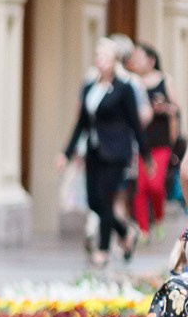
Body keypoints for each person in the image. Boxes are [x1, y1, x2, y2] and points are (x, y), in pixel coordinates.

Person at [65, 35, 149, 267]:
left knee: (106, 199)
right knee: (94, 202)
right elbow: (81, 123)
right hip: (94, 151)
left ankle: (102, 250)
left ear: (114, 60)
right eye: (97, 56)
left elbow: (135, 122)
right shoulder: (90, 87)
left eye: (104, 56)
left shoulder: (124, 88)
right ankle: (125, 231)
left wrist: (146, 154)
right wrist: (67, 153)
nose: (100, 60)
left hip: (116, 152)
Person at [130, 41, 176, 237]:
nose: (136, 61)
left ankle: (158, 218)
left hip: (161, 142)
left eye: (139, 57)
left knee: (155, 185)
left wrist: (163, 108)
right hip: (140, 142)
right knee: (140, 187)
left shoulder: (164, 80)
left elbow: (176, 109)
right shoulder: (133, 82)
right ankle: (143, 229)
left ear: (151, 60)